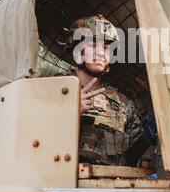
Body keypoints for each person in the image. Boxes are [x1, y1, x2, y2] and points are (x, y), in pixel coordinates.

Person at [60, 14, 156, 167]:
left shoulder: (123, 104)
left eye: (105, 48)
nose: (100, 53)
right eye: (92, 45)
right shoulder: (54, 90)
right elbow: (33, 140)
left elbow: (142, 162)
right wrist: (69, 112)